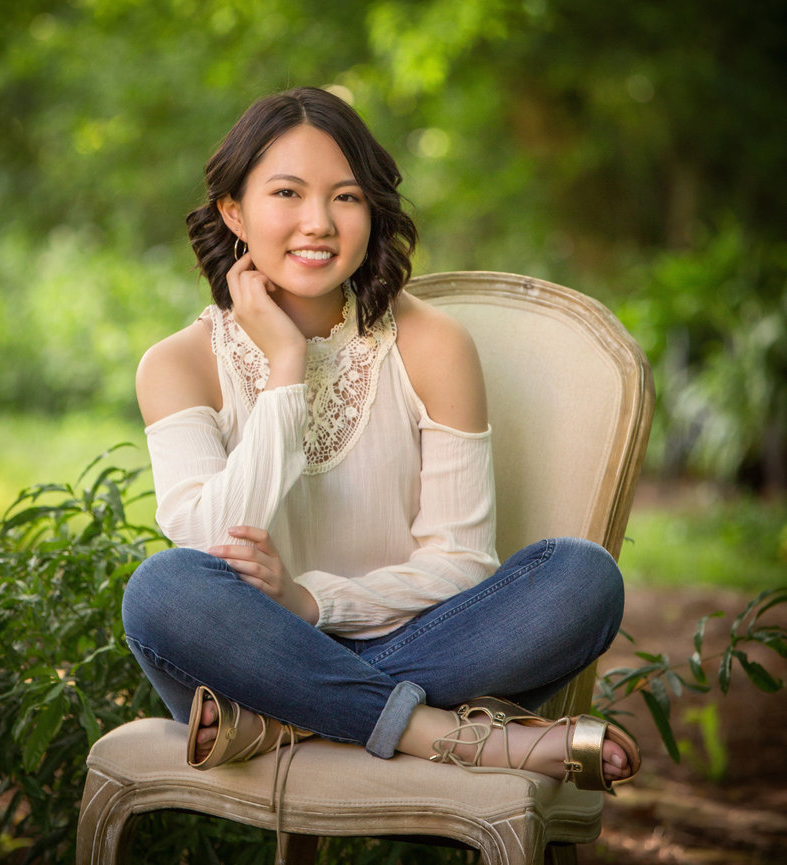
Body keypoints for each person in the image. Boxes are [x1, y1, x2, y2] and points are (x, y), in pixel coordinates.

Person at [121, 87, 640, 798]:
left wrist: (308, 604)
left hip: (413, 651)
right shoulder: (176, 364)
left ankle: (285, 723)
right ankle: (442, 734)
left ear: (372, 211)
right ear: (234, 212)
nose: (318, 223)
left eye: (345, 197)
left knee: (582, 578)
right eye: (287, 193)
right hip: (248, 654)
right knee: (164, 590)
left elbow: (459, 560)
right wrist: (283, 371)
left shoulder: (430, 345)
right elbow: (212, 540)